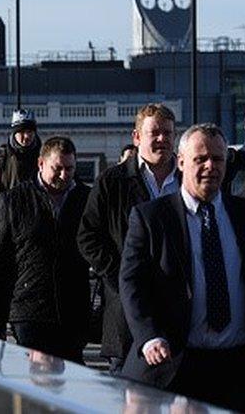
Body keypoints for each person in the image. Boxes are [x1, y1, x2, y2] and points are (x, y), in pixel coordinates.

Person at [120, 123, 245, 413]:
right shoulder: (152, 218)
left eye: (218, 159)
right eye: (201, 159)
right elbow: (132, 283)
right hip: (174, 365)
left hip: (237, 368)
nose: (211, 166)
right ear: (181, 162)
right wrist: (149, 336)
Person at [78, 103, 179, 374]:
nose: (162, 139)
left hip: (179, 315)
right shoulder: (112, 181)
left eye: (168, 133)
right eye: (154, 133)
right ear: (136, 137)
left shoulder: (186, 179)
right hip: (126, 316)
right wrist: (120, 276)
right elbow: (88, 236)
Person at [0, 136, 91, 363]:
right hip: (29, 309)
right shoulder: (12, 200)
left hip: (73, 309)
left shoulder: (86, 200)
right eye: (57, 168)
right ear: (40, 163)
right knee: (38, 378)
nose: (64, 175)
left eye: (69, 168)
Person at [0, 109, 41, 190]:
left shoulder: (43, 155)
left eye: (30, 132)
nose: (26, 136)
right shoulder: (3, 156)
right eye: (22, 132)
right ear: (14, 133)